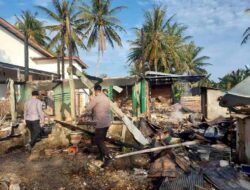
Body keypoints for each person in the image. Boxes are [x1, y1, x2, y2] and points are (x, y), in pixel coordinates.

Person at [85, 84, 112, 167]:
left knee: (98, 140)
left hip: (100, 123)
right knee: (100, 140)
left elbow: (88, 108)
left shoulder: (96, 98)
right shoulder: (106, 98)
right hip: (107, 122)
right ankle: (101, 155)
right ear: (100, 90)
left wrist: (90, 101)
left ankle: (107, 157)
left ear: (95, 90)